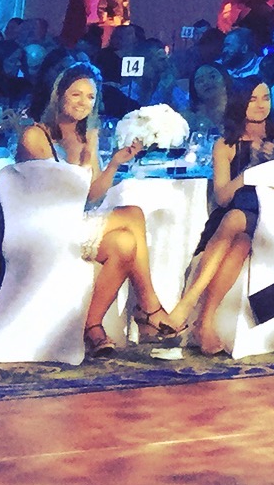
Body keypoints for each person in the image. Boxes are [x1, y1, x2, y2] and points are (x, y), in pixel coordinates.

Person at [17, 65, 176, 353]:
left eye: (90, 97)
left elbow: (92, 196)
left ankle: (92, 325)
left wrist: (113, 162)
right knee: (133, 214)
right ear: (59, 95)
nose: (83, 102)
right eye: (76, 94)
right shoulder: (35, 136)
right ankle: (148, 307)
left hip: (73, 219)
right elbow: (64, 191)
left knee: (125, 244)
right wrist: (87, 154)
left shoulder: (83, 137)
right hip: (45, 224)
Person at [160, 74, 274, 354]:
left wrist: (271, 164)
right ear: (240, 102)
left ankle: (187, 304)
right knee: (240, 241)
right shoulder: (225, 144)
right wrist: (248, 174)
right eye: (252, 99)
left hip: (273, 213)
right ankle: (204, 323)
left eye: (265, 98)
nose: (260, 105)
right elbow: (223, 197)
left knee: (235, 220)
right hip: (234, 217)